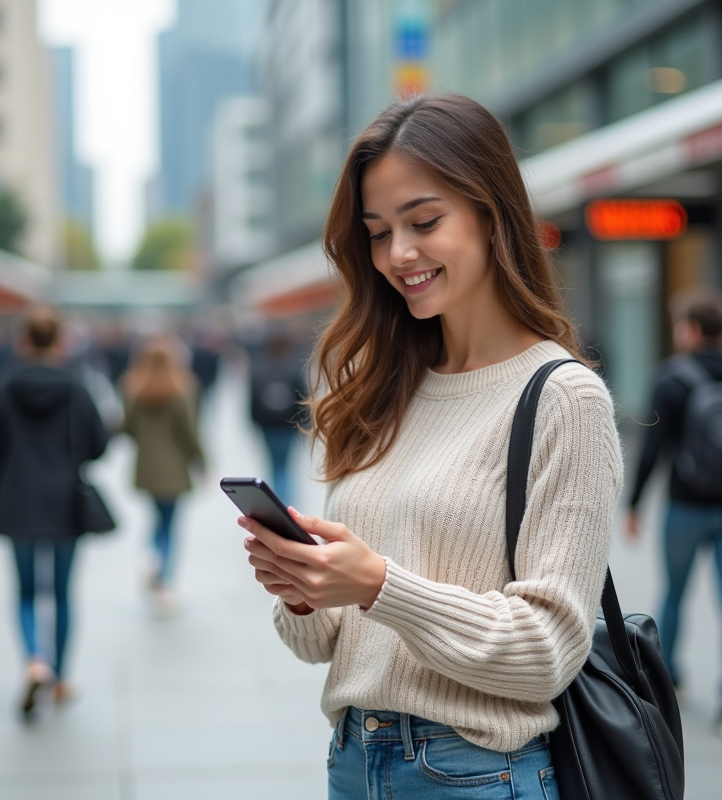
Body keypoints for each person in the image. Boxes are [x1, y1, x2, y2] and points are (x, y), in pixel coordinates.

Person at [240, 94, 621, 800]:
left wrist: (380, 585)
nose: (398, 255)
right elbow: (322, 644)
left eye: (423, 221)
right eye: (379, 232)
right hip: (354, 759)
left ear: (490, 211)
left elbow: (547, 653)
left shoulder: (562, 397)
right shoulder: (384, 385)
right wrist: (304, 589)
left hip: (475, 772)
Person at [625, 286, 722, 742]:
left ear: (691, 329)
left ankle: (669, 678)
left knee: (675, 593)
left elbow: (652, 449)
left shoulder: (672, 378)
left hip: (686, 506)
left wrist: (635, 504)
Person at [0, 306, 109, 716]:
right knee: (61, 592)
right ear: (58, 342)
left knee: (24, 591)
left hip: (17, 500)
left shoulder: (5, 388)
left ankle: (34, 659)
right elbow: (99, 443)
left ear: (23, 342)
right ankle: (59, 676)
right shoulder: (75, 387)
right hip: (65, 501)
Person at [121, 335, 204, 615]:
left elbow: (127, 428)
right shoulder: (183, 388)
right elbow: (189, 433)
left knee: (156, 518)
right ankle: (164, 580)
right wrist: (201, 460)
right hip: (175, 469)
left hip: (146, 467)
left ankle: (151, 558)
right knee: (170, 524)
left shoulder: (133, 388)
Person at [248, 330, 309, 504]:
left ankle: (275, 500)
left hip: (267, 426)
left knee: (274, 465)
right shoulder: (294, 368)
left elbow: (252, 400)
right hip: (289, 426)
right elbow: (304, 399)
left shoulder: (259, 369)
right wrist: (306, 425)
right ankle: (286, 501)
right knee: (286, 466)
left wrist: (254, 423)